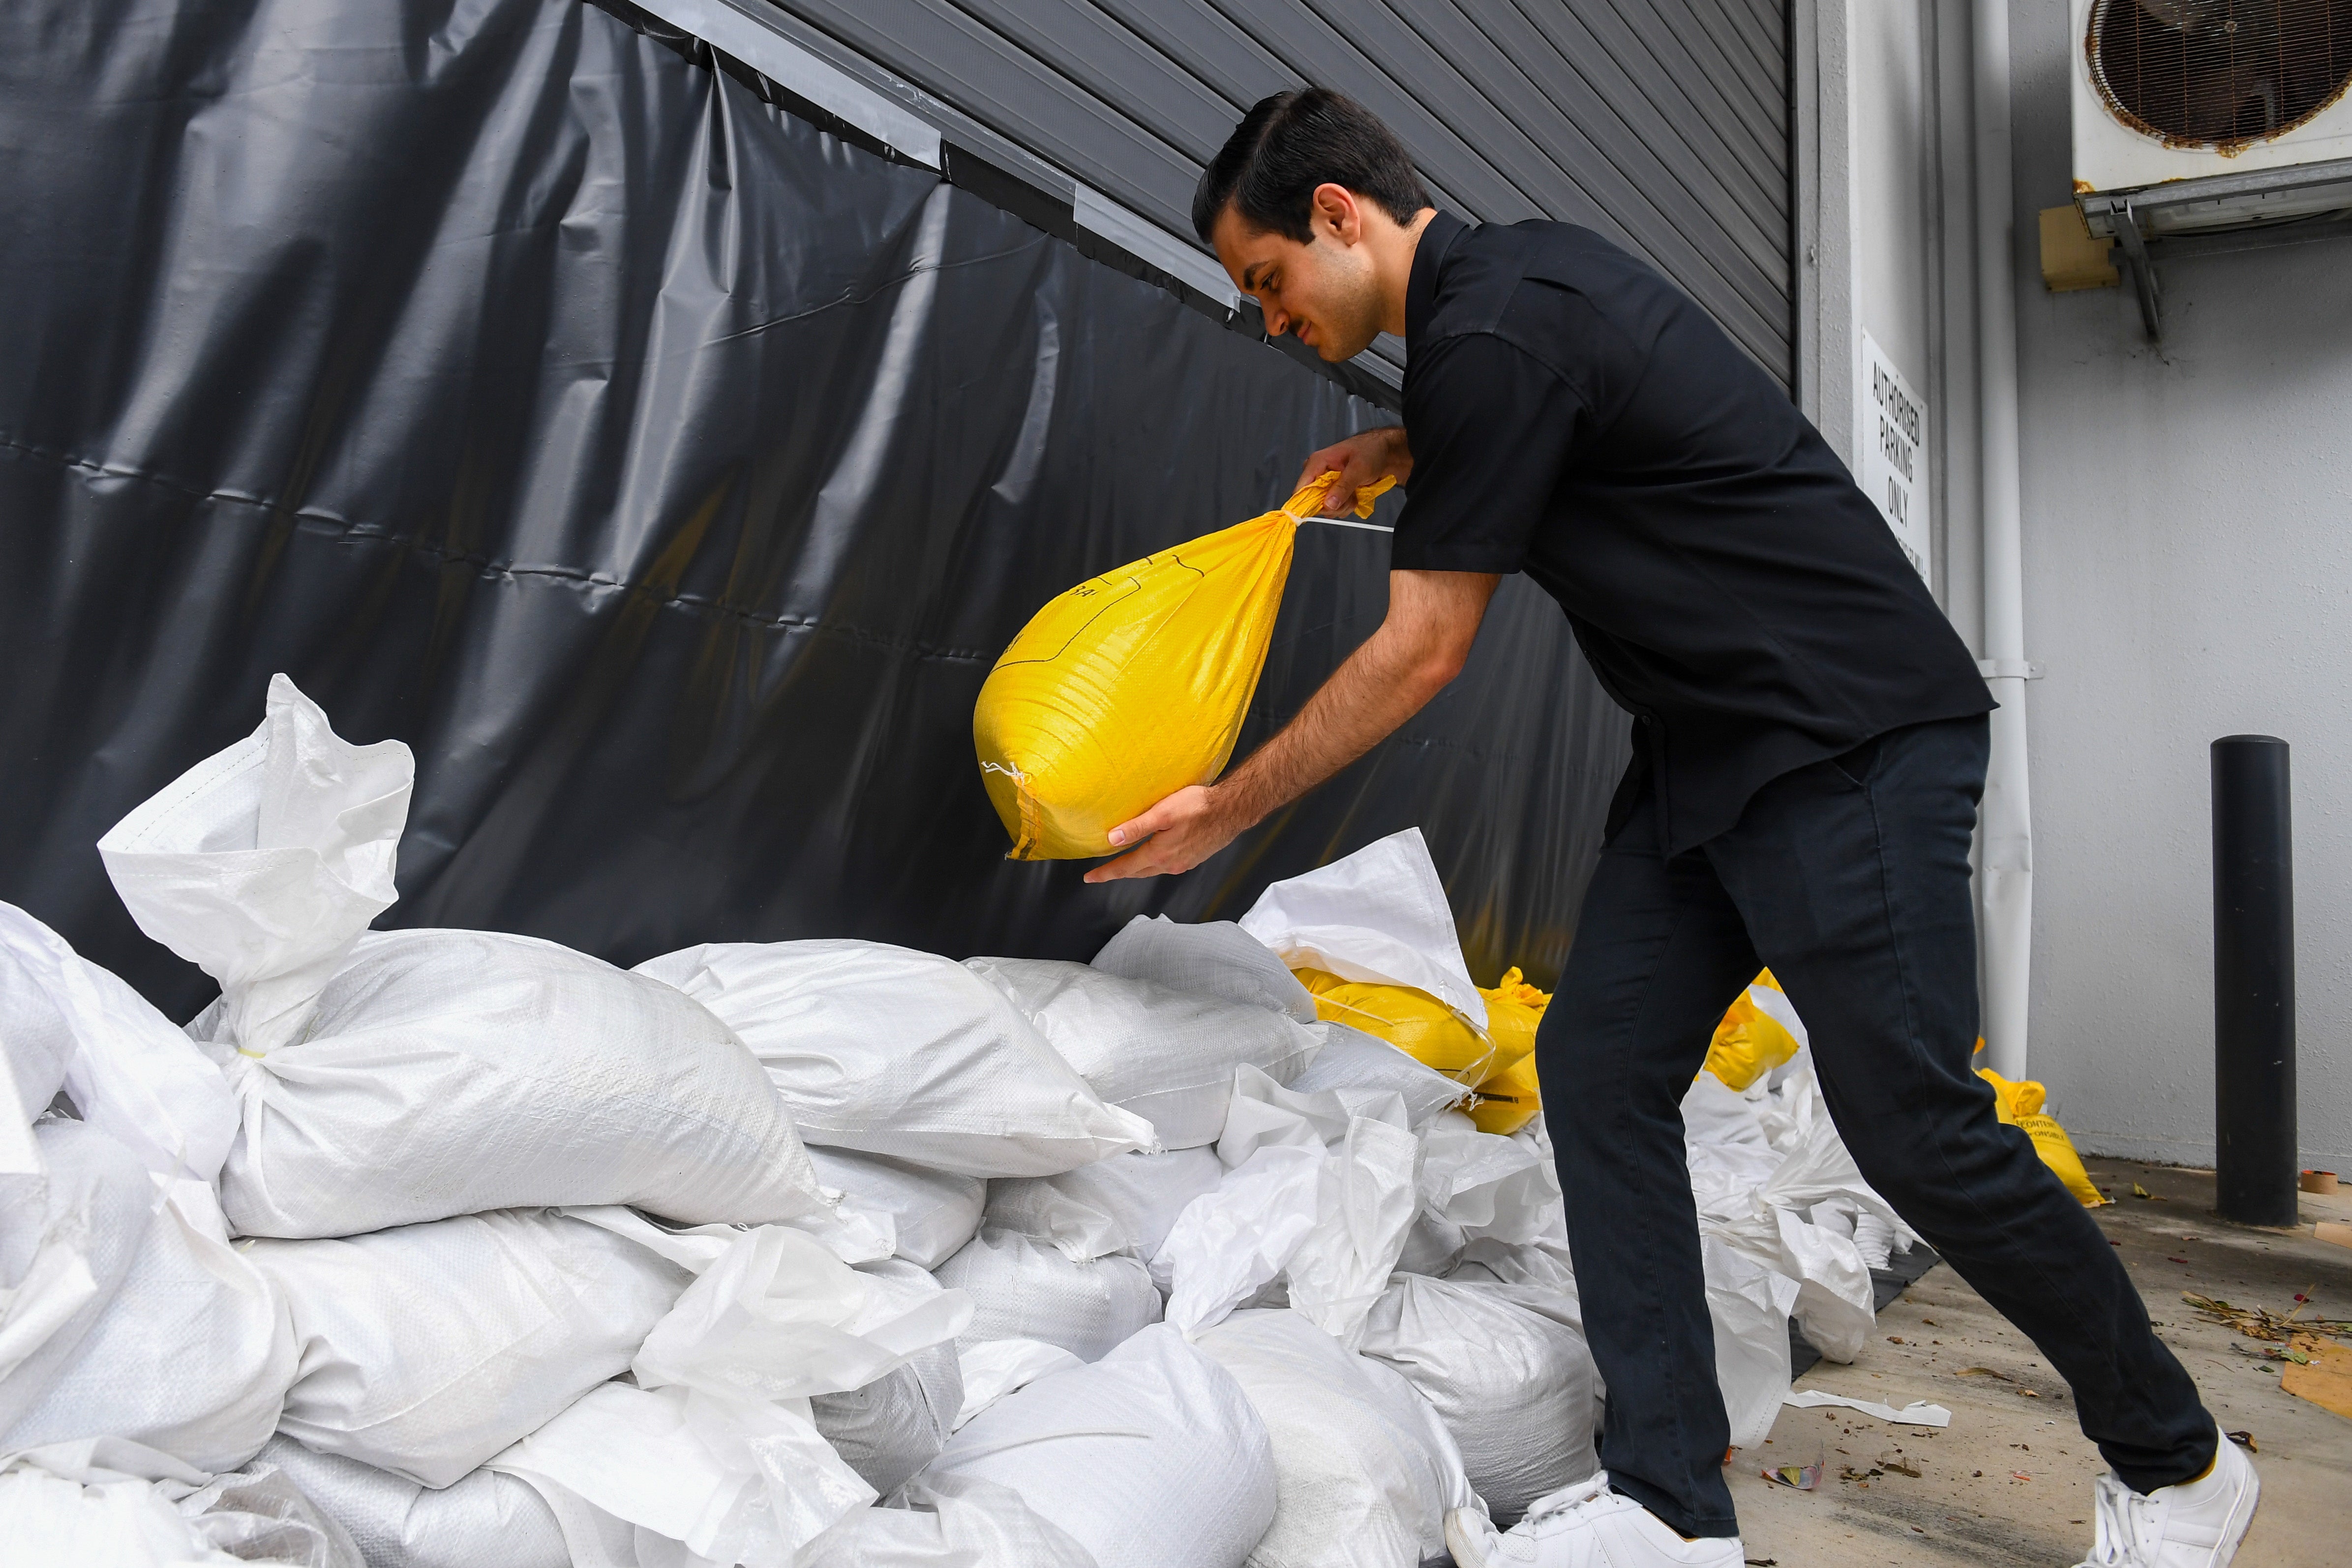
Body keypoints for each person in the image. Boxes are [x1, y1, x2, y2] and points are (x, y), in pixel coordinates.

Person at [1084, 87, 2256, 1568]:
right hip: (1711, 751)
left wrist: (1223, 808)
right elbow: (1561, 422)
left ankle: (2181, 1466)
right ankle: (1665, 1501)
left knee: (1917, 1128)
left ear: (1339, 215)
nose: (1268, 319)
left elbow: (1421, 651)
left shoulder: (1495, 329)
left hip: (1846, 733)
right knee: (1600, 1065)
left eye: (1267, 282)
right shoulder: (1500, 315)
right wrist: (1408, 446)